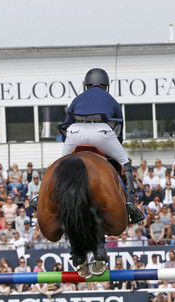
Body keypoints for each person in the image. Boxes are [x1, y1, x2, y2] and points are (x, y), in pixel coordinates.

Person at [55, 68, 144, 224]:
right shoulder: (112, 100)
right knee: (125, 163)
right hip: (102, 132)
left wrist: (68, 143)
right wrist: (114, 148)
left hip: (76, 132)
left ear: (86, 85)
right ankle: (130, 203)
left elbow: (66, 124)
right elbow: (119, 130)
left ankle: (42, 197)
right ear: (106, 86)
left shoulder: (77, 99)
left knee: (59, 164)